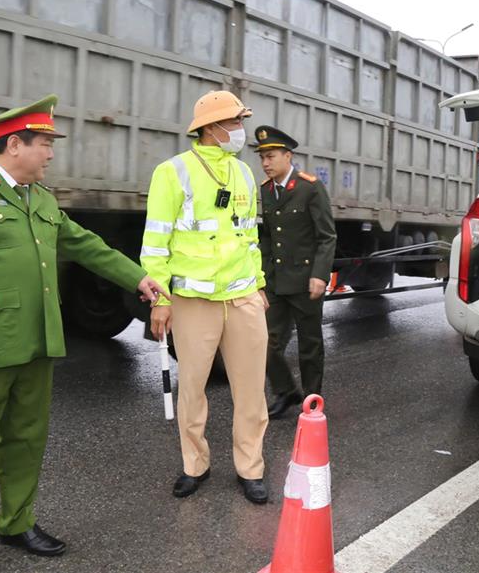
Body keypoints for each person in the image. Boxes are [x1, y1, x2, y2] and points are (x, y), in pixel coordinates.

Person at [0, 94, 166, 573]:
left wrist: (137, 277)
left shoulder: (42, 198)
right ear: (15, 144)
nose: (51, 154)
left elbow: (86, 246)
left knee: (26, 440)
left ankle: (17, 523)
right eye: (45, 144)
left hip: (37, 344)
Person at [140, 90, 271, 504]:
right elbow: (156, 243)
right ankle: (195, 465)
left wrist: (260, 284)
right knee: (193, 388)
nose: (240, 131)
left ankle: (251, 468)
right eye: (234, 123)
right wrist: (161, 300)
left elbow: (249, 235)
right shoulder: (172, 172)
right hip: (193, 301)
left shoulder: (245, 173)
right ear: (211, 128)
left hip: (244, 297)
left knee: (251, 389)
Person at [254, 125, 337, 419]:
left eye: (271, 156)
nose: (265, 163)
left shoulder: (309, 187)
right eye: (262, 157)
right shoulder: (265, 190)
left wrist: (320, 275)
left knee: (309, 346)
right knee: (264, 341)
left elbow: (327, 235)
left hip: (305, 281)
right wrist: (260, 277)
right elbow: (265, 237)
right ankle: (286, 391)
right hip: (275, 282)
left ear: (288, 156)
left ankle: (313, 400)